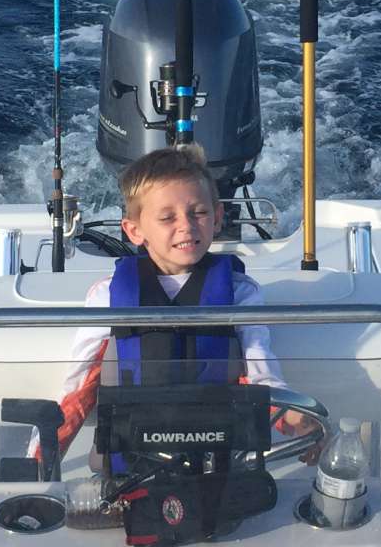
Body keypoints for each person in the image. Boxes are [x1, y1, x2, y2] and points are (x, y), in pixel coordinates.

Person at [37, 145, 313, 464]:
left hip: (221, 464)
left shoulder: (241, 294)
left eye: (199, 212)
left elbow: (259, 370)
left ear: (218, 217)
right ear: (135, 230)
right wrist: (41, 457)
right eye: (167, 217)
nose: (186, 226)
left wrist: (293, 417)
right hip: (132, 470)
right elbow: (78, 386)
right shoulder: (108, 297)